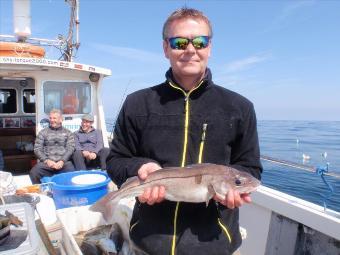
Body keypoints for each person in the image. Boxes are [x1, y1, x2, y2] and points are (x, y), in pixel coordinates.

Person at [106, 7, 262, 255]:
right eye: (179, 42)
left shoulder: (240, 107)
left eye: (200, 41)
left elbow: (250, 168)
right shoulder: (137, 103)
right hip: (148, 241)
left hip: (216, 244)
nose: (191, 49)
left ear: (210, 47)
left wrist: (234, 189)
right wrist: (140, 168)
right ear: (166, 48)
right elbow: (115, 161)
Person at [29, 109, 75, 184]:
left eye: (54, 118)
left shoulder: (68, 133)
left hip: (63, 163)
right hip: (47, 163)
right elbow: (37, 149)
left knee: (72, 174)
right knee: (34, 173)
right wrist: (47, 160)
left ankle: (67, 192)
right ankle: (40, 192)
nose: (52, 120)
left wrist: (62, 161)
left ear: (61, 119)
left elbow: (71, 148)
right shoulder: (43, 132)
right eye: (50, 118)